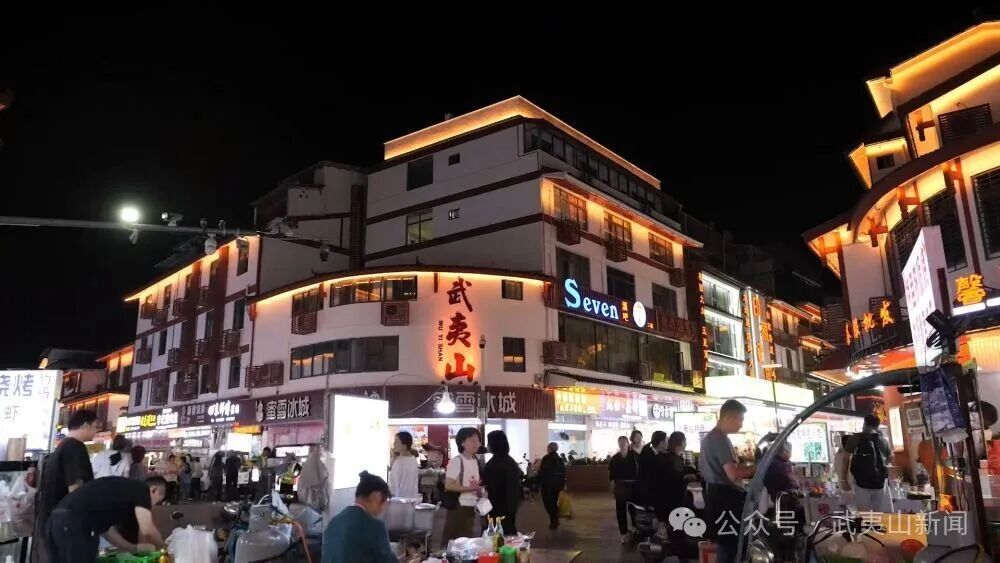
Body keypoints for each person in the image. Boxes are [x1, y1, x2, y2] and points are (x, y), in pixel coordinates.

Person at [47, 476, 167, 563]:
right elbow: (147, 530)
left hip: (58, 521)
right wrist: (165, 549)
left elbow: (106, 531)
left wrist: (132, 548)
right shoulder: (142, 490)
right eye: (157, 502)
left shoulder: (120, 495)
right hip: (72, 523)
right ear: (154, 490)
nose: (152, 507)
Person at [35, 409, 98, 563]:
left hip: (51, 522)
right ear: (85, 425)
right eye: (95, 426)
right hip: (66, 525)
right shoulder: (75, 447)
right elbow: (75, 489)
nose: (96, 431)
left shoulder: (61, 447)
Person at [700, 399, 755, 563]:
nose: (741, 424)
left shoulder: (710, 438)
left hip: (714, 497)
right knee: (729, 548)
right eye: (740, 419)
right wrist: (759, 467)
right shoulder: (720, 439)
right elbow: (733, 474)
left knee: (717, 544)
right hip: (725, 499)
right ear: (729, 417)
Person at [321, 471, 396, 563]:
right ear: (376, 497)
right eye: (385, 501)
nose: (384, 508)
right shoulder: (375, 527)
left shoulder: (333, 522)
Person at [442, 427, 485, 541]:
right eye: (472, 440)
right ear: (462, 443)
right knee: (456, 541)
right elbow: (449, 485)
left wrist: (480, 491)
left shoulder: (476, 461)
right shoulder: (456, 461)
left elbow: (478, 484)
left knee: (468, 541)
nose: (476, 443)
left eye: (478, 440)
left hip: (473, 507)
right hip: (458, 507)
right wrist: (471, 488)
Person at [843, 414, 892, 512]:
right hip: (880, 484)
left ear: (864, 424)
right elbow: (891, 458)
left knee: (864, 515)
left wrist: (844, 480)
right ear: (877, 426)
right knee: (879, 514)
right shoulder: (884, 441)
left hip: (861, 483)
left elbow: (845, 459)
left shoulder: (855, 438)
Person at [483, 430, 523, 535]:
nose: (487, 446)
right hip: (510, 505)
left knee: (496, 534)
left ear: (494, 444)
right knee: (507, 530)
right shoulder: (509, 461)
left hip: (497, 506)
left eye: (488, 442)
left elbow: (490, 485)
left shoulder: (495, 464)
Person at [609, 435, 639, 543]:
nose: (622, 444)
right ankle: (623, 533)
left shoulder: (634, 456)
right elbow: (612, 475)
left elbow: (639, 470)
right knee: (620, 510)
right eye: (620, 442)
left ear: (628, 443)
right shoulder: (615, 458)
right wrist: (613, 487)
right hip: (620, 486)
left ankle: (635, 527)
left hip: (633, 486)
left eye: (624, 442)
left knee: (634, 509)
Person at [537, 442, 566, 530]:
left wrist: (537, 481)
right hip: (557, 486)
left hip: (548, 485)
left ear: (549, 449)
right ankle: (555, 519)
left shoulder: (546, 458)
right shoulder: (560, 459)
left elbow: (542, 472)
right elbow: (563, 473)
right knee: (553, 503)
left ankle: (554, 521)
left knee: (548, 504)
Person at [389, 431, 419, 499]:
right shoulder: (399, 459)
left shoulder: (409, 461)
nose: (394, 444)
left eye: (397, 442)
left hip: (402, 499)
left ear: (404, 445)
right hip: (403, 499)